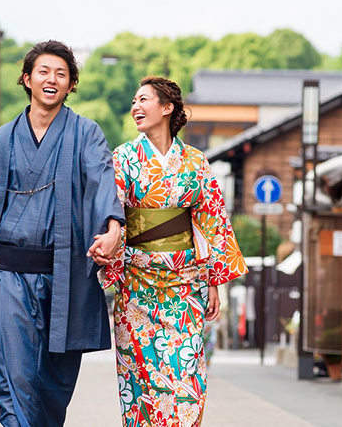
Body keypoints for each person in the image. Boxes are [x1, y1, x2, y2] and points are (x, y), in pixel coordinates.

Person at [0, 40, 124, 427]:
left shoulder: (86, 134)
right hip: (8, 276)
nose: (52, 79)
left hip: (64, 276)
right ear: (27, 79)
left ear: (70, 86)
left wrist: (113, 226)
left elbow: (101, 180)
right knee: (15, 379)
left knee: (54, 384)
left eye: (61, 74)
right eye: (44, 72)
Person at [102, 77, 248, 426]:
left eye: (144, 101)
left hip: (186, 287)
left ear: (167, 108)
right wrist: (111, 254)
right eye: (134, 102)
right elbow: (111, 215)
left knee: (187, 378)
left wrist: (214, 280)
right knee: (141, 380)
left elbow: (212, 220)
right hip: (137, 286)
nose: (136, 108)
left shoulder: (195, 162)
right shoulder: (123, 158)